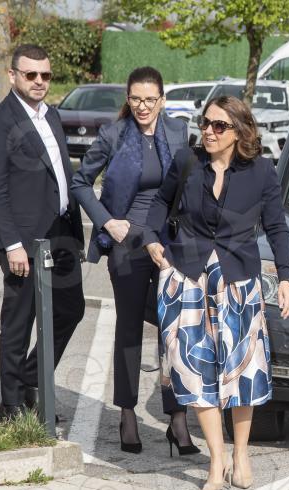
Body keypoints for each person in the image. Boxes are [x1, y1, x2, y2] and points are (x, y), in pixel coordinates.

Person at [144, 95, 289, 490]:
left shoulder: (262, 171)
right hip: (187, 276)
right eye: (205, 123)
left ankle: (241, 453)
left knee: (240, 372)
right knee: (194, 369)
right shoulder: (187, 161)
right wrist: (151, 239)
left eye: (219, 126)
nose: (208, 131)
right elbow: (159, 202)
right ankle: (216, 458)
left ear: (240, 131)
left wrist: (286, 276)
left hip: (237, 280)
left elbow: (277, 227)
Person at [71, 67, 199, 456]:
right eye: (136, 99)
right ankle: (127, 413)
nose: (143, 106)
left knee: (172, 329)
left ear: (162, 100)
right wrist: (107, 221)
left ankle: (177, 417)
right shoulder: (113, 135)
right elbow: (80, 182)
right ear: (128, 99)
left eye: (150, 99)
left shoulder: (178, 131)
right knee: (128, 327)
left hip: (168, 243)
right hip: (126, 245)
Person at [0, 44, 85, 423]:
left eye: (45, 75)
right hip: (22, 240)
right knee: (19, 320)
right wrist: (12, 244)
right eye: (31, 74)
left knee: (71, 309)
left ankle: (31, 378)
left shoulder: (51, 115)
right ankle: (11, 405)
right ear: (13, 76)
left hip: (61, 232)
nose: (39, 81)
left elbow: (60, 175)